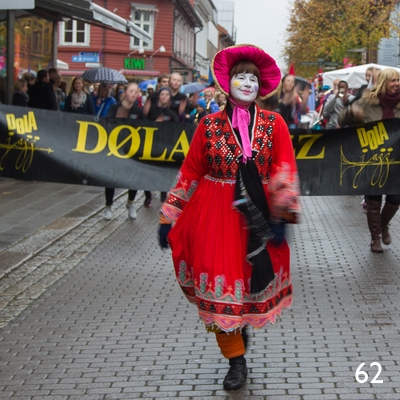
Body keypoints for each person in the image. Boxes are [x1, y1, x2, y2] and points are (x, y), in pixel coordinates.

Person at [158, 44, 301, 390]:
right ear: (228, 82)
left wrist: (281, 215)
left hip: (258, 219)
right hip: (214, 217)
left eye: (253, 77)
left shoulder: (274, 123)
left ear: (260, 85)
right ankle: (235, 361)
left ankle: (240, 329)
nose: (247, 82)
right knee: (219, 288)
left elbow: (284, 166)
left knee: (248, 290)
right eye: (241, 76)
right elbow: (191, 172)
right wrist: (169, 215)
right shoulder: (207, 126)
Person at [338, 68, 400, 253]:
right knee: (373, 200)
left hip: (396, 161)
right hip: (372, 160)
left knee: (395, 199)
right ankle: (375, 239)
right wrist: (352, 114)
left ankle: (383, 225)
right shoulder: (367, 101)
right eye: (393, 81)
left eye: (398, 80)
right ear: (383, 83)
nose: (396, 83)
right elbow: (342, 119)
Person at [104, 82, 152, 218]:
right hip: (115, 149)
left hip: (132, 150)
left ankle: (130, 203)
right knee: (111, 179)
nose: (132, 94)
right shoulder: (115, 107)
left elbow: (147, 128)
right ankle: (108, 206)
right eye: (130, 91)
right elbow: (105, 123)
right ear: (124, 93)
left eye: (135, 92)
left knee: (133, 178)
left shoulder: (138, 111)